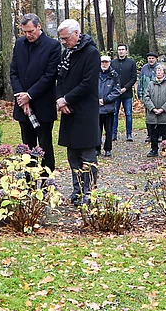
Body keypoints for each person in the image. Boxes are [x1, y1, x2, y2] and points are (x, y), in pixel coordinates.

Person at [55, 19, 101, 202]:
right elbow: (60, 78)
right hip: (68, 111)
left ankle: (89, 192)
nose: (64, 42)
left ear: (76, 33)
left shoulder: (91, 53)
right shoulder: (67, 53)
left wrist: (66, 99)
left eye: (66, 38)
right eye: (62, 39)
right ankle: (77, 190)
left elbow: (88, 84)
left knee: (87, 156)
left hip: (85, 112)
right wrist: (60, 100)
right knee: (72, 154)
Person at [9, 13, 60, 171]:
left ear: (39, 27)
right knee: (27, 147)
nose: (28, 35)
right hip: (23, 106)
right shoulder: (19, 44)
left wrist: (29, 95)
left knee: (45, 147)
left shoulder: (53, 46)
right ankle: (28, 183)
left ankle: (46, 183)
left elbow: (50, 76)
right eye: (24, 32)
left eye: (30, 31)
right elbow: (14, 72)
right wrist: (20, 96)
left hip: (42, 105)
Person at [142, 63, 166, 157]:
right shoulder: (150, 84)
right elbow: (146, 97)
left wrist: (162, 109)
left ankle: (165, 150)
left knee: (165, 133)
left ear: (164, 72)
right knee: (153, 133)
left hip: (165, 114)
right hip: (152, 114)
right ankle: (154, 149)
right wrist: (152, 108)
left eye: (160, 71)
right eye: (157, 71)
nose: (159, 73)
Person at [111, 44, 137, 142]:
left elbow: (134, 77)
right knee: (114, 114)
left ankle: (129, 134)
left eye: (122, 49)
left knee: (129, 114)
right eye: (119, 49)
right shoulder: (113, 63)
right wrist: (116, 89)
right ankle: (113, 134)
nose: (121, 51)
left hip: (127, 93)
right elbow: (111, 77)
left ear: (126, 51)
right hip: (115, 93)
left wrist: (125, 88)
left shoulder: (131, 63)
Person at [97, 55, 121, 158]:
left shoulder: (114, 75)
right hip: (96, 108)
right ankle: (96, 148)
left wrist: (105, 100)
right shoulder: (94, 74)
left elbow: (116, 91)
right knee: (97, 130)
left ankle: (108, 149)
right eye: (103, 62)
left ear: (109, 63)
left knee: (109, 130)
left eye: (106, 62)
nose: (104, 64)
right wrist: (96, 100)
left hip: (108, 108)